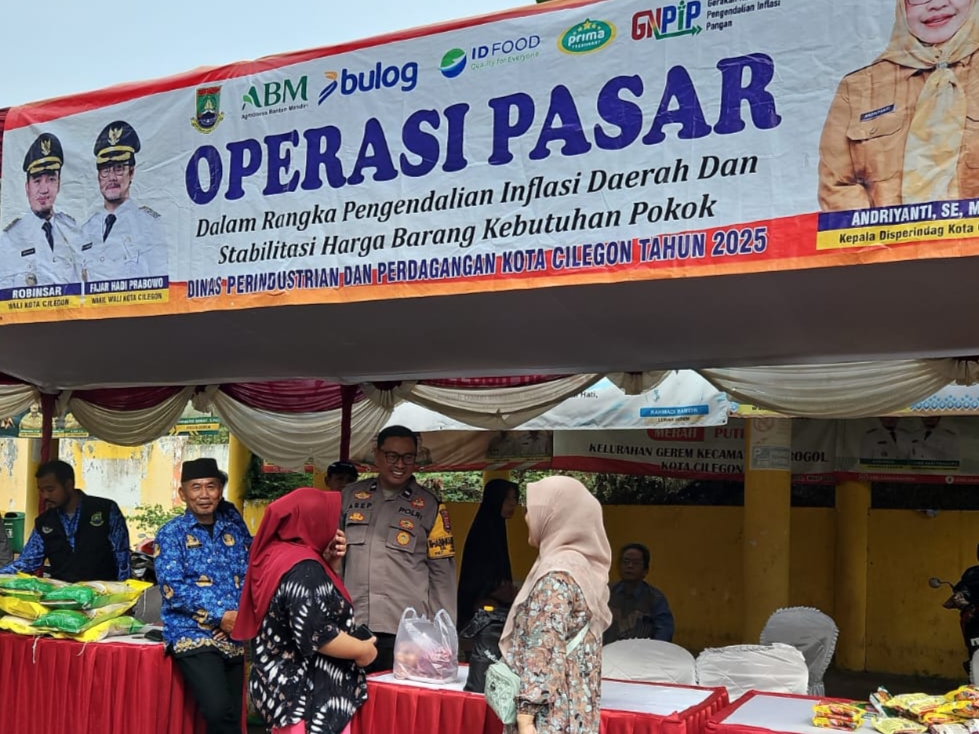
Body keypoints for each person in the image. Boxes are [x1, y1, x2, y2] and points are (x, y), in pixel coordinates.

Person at [233, 488, 376, 734]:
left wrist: (329, 564)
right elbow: (316, 633)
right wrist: (363, 650)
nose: (334, 527)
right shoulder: (305, 569)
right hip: (308, 700)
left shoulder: (277, 554)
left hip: (282, 691)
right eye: (330, 519)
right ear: (313, 520)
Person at [818, 0, 979, 211]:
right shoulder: (859, 86)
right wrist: (882, 231)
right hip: (890, 232)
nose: (937, 4)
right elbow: (837, 185)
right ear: (902, 6)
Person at [340, 424, 457, 672]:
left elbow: (442, 576)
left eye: (408, 457)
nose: (400, 464)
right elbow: (335, 561)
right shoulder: (349, 497)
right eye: (392, 456)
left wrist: (442, 634)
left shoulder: (430, 506)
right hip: (352, 625)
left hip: (407, 633)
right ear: (377, 455)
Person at [499, 476, 611, 734]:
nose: (527, 518)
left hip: (549, 718)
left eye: (532, 511)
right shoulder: (583, 567)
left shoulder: (555, 575)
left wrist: (525, 718)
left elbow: (544, 649)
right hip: (578, 711)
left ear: (555, 516)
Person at [154, 458, 252, 734]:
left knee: (233, 713)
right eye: (196, 487)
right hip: (191, 632)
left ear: (220, 490)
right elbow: (172, 589)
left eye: (211, 486)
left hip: (232, 633)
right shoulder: (171, 533)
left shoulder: (234, 530)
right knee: (218, 709)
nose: (204, 494)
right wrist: (219, 617)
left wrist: (237, 618)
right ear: (182, 493)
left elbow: (250, 574)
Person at [0, 459, 130, 581]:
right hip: (61, 595)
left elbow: (122, 556)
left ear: (69, 485)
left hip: (104, 594)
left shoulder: (105, 510)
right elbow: (28, 561)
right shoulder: (45, 522)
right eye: (41, 490)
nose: (45, 496)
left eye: (50, 490)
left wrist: (125, 590)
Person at [81, 120, 168, 283]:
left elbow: (160, 281)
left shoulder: (149, 224)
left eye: (119, 168)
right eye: (105, 170)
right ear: (98, 176)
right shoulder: (87, 230)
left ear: (131, 172)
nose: (112, 178)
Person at [0, 132, 81, 289]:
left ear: (59, 183)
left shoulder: (72, 229)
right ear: (27, 187)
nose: (44, 190)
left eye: (51, 179)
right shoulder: (10, 238)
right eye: (37, 181)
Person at [457, 479, 519, 632]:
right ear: (495, 499)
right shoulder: (483, 532)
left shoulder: (497, 527)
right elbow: (477, 574)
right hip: (480, 607)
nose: (513, 504)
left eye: (514, 498)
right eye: (507, 498)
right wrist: (496, 588)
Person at [604, 543, 675, 644]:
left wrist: (651, 650)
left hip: (641, 652)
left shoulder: (655, 599)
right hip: (607, 651)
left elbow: (664, 632)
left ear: (645, 571)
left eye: (636, 563)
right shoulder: (606, 592)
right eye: (625, 562)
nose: (630, 566)